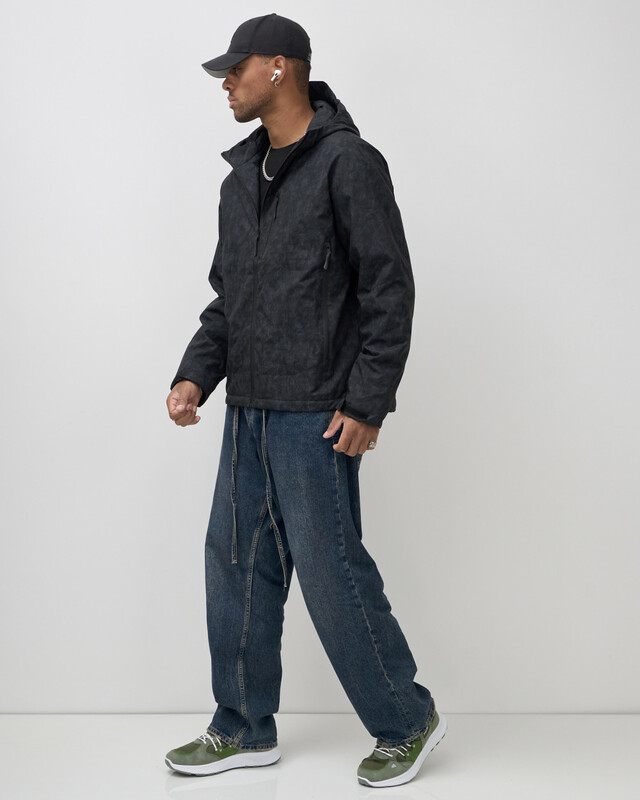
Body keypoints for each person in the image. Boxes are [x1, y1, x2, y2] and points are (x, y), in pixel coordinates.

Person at [164, 13, 446, 788]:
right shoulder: (239, 181)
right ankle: (242, 726)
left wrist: (368, 402)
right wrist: (195, 376)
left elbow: (388, 289)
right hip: (247, 411)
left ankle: (406, 720)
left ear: (280, 67)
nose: (227, 82)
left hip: (318, 415)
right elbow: (229, 301)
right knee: (234, 567)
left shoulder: (348, 164)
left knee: (332, 573)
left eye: (237, 68)